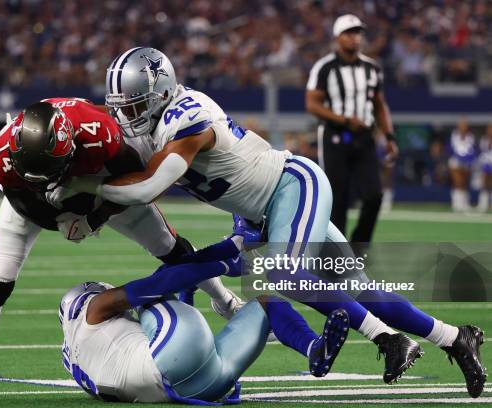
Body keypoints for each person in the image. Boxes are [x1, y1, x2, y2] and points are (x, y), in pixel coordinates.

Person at [49, 47, 486, 396]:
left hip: (293, 188)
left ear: (162, 92)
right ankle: (454, 338)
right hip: (257, 216)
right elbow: (129, 182)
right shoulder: (149, 130)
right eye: (121, 107)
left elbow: (147, 188)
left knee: (280, 273)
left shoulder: (188, 115)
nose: (127, 116)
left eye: (136, 104)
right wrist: (91, 211)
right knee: (354, 287)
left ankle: (385, 338)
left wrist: (87, 192)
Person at [0, 98, 241, 401]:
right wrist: (62, 220)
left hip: (100, 185)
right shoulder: (2, 154)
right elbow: (23, 204)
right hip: (37, 203)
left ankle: (225, 301)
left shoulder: (97, 133)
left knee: (170, 248)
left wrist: (94, 216)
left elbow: (138, 185)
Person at [60, 223, 350, 403]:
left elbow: (180, 328)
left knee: (265, 304)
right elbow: (159, 283)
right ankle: (232, 252)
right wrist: (223, 261)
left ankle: (315, 349)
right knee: (153, 290)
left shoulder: (78, 360)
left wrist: (191, 287)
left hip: (198, 386)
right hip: (172, 359)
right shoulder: (93, 309)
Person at [305, 14, 398, 242]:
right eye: (349, 33)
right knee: (338, 200)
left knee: (374, 196)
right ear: (338, 37)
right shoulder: (324, 67)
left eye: (357, 33)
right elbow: (312, 104)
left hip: (364, 138)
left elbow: (379, 104)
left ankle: (357, 247)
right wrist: (344, 119)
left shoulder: (371, 68)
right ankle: (336, 259)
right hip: (335, 137)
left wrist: (389, 136)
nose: (355, 38)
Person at [448, 119, 476, 212]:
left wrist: (467, 159)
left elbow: (471, 150)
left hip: (466, 162)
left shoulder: (470, 137)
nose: (463, 127)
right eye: (461, 125)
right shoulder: (454, 135)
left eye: (464, 125)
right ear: (458, 126)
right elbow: (451, 149)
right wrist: (459, 156)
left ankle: (465, 203)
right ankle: (456, 203)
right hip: (455, 162)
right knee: (457, 182)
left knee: (464, 183)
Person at [478, 124, 492, 212]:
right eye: (489, 130)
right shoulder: (483, 140)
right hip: (486, 164)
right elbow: (483, 153)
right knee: (485, 180)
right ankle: (483, 204)